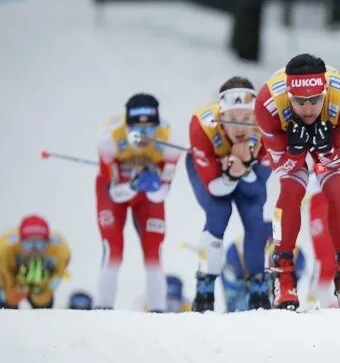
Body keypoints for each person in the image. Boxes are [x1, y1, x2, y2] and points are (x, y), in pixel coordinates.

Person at [254, 53, 340, 311]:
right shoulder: (267, 104)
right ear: (288, 95)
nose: (308, 107)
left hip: (335, 130)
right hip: (286, 134)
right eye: (300, 101)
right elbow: (284, 166)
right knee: (290, 190)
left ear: (325, 91)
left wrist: (326, 151)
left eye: (315, 99)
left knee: (338, 190)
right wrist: (295, 151)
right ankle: (283, 276)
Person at [187, 76, 271, 312]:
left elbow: (257, 188)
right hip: (211, 172)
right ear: (220, 117)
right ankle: (204, 287)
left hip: (244, 174)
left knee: (255, 218)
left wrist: (242, 167)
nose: (238, 127)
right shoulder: (202, 124)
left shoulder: (267, 127)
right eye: (232, 119)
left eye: (246, 119)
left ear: (255, 118)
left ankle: (258, 288)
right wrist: (231, 175)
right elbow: (214, 188)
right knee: (218, 212)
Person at [96, 93, 181, 312]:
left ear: (158, 125)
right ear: (127, 126)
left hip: (147, 193)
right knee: (113, 247)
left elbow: (161, 193)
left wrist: (153, 186)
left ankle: (157, 310)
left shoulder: (171, 139)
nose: (144, 136)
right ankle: (103, 308)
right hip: (117, 190)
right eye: (136, 131)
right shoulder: (109, 138)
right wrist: (133, 185)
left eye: (150, 129)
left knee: (154, 249)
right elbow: (113, 192)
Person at [0, 215, 70, 309]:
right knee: (9, 302)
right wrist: (9, 293)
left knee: (42, 301)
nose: (34, 250)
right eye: (29, 244)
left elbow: (58, 273)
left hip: (44, 275)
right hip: (10, 273)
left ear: (48, 243)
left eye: (40, 244)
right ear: (20, 242)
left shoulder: (60, 250)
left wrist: (46, 289)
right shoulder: (5, 250)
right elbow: (3, 277)